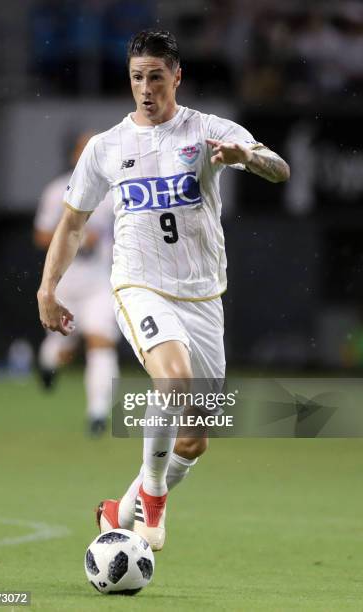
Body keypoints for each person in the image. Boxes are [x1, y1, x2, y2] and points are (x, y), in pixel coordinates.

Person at [37, 30, 290, 550]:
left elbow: (280, 169)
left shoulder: (208, 129)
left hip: (202, 297)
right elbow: (71, 224)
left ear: (177, 76)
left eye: (156, 77)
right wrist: (47, 287)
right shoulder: (107, 148)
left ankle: (120, 509)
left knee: (195, 439)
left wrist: (247, 157)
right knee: (172, 383)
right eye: (136, 78)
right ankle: (152, 506)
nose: (145, 88)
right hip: (139, 285)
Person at [34, 131, 118, 436]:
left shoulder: (114, 192)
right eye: (84, 151)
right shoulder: (57, 191)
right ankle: (47, 363)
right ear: (74, 157)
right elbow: (42, 235)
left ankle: (97, 413)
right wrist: (79, 239)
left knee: (100, 342)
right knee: (63, 348)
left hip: (100, 284)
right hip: (67, 285)